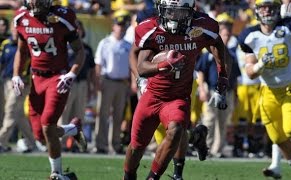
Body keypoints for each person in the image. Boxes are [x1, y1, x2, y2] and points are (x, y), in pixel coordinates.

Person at [123, 0, 232, 179]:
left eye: (180, 12)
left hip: (179, 95)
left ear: (191, 11)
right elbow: (139, 62)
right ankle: (196, 138)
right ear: (160, 9)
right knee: (137, 145)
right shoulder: (150, 26)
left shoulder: (203, 25)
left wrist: (222, 78)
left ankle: (163, 175)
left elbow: (218, 45)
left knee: (175, 130)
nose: (174, 16)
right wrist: (157, 69)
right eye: (169, 11)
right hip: (153, 93)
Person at [238, 0, 291, 179]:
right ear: (257, 11)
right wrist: (260, 66)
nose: (267, 11)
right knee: (278, 138)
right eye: (263, 7)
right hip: (268, 91)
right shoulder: (249, 35)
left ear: (278, 9)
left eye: (271, 7)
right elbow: (250, 72)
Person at [13, 0, 86, 179]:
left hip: (57, 77)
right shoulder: (22, 18)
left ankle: (57, 173)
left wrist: (71, 74)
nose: (35, 2)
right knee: (40, 135)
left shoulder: (62, 17)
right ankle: (72, 129)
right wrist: (16, 74)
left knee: (47, 125)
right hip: (36, 78)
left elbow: (79, 51)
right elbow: (22, 51)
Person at [196, 25, 240, 158]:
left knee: (223, 121)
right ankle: (205, 147)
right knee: (209, 119)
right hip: (212, 90)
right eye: (223, 35)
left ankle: (217, 150)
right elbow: (201, 72)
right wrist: (202, 89)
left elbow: (235, 77)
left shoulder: (231, 54)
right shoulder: (209, 53)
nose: (225, 38)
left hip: (227, 92)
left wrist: (236, 94)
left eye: (227, 35)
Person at [93, 10, 131, 154]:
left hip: (122, 83)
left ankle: (115, 144)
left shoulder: (128, 45)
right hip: (107, 81)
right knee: (102, 114)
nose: (121, 27)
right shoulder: (105, 42)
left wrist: (131, 83)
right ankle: (100, 144)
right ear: (113, 26)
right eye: (118, 25)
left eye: (123, 25)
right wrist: (98, 82)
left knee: (118, 115)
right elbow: (98, 64)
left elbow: (131, 66)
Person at [59, 19, 95, 152]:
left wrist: (92, 87)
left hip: (83, 83)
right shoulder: (64, 46)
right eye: (75, 29)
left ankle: (75, 144)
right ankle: (60, 143)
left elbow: (91, 70)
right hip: (68, 84)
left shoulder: (87, 49)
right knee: (64, 113)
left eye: (80, 28)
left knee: (79, 115)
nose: (78, 31)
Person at [0, 21, 36, 153]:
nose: (16, 32)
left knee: (10, 109)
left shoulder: (27, 45)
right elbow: (2, 63)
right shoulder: (6, 44)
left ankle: (1, 140)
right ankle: (33, 142)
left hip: (21, 82)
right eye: (14, 30)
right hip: (6, 81)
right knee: (19, 114)